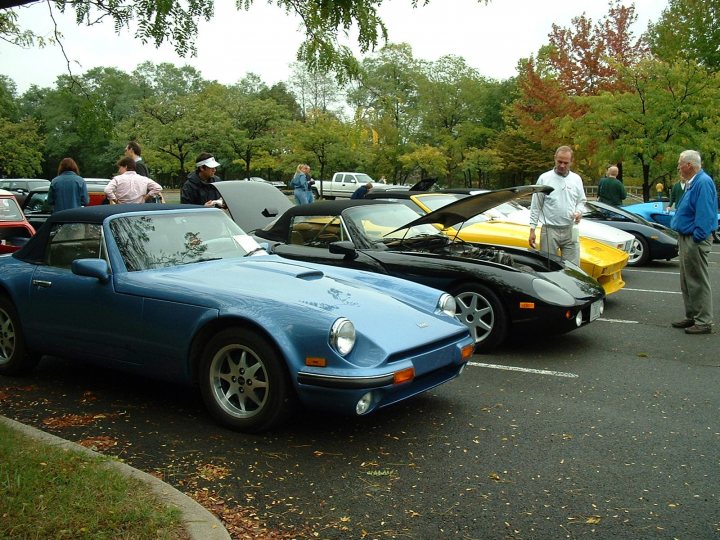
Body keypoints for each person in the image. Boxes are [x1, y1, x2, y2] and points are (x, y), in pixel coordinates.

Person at [670, 150, 717, 335]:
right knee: (687, 280)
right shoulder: (695, 182)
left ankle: (703, 321)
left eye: (680, 164)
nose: (679, 167)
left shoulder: (702, 182)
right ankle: (693, 316)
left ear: (689, 165)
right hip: (687, 236)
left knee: (697, 280)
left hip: (694, 238)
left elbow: (705, 213)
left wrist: (697, 237)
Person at [528, 145, 586, 266]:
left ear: (571, 162)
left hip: (570, 229)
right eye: (559, 161)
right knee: (547, 267)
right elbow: (536, 205)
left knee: (573, 269)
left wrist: (579, 212)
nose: (562, 165)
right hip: (549, 230)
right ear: (555, 158)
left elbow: (581, 201)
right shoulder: (544, 178)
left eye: (566, 163)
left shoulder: (576, 179)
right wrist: (532, 229)